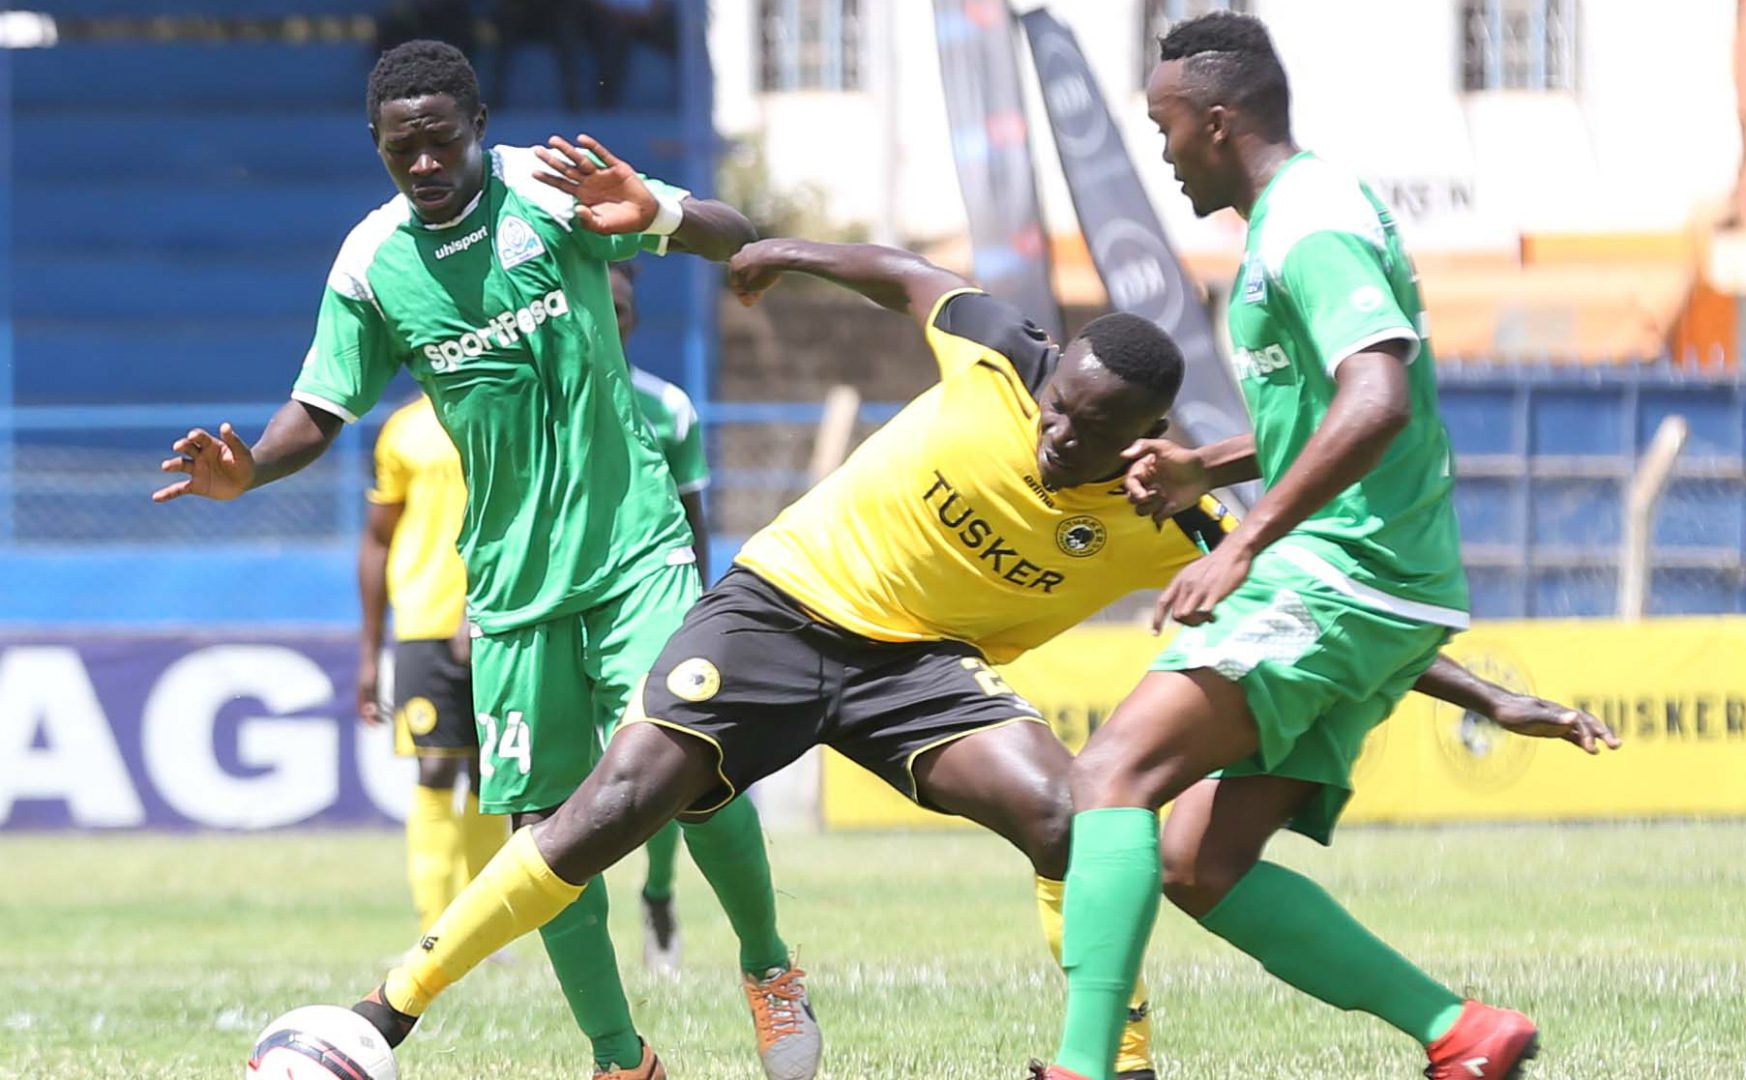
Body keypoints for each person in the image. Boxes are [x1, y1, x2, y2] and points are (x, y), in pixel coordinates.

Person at [345, 236, 1616, 1080]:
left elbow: (1301, 608)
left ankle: (1113, 1058)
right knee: (619, 800)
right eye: (1058, 409)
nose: (1058, 436)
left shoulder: (1169, 507)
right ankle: (384, 1013)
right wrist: (774, 251)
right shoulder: (1003, 350)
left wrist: (1488, 693)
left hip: (917, 668)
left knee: (1075, 816)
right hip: (782, 605)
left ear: (1148, 436)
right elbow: (907, 276)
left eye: (1091, 431)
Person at [151, 40, 818, 1080]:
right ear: (377, 145)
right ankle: (619, 1058)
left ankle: (769, 968)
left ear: (478, 125)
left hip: (634, 548)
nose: (423, 164)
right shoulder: (371, 264)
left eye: (441, 141)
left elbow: (738, 240)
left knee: (694, 762)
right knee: (543, 830)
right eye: (400, 149)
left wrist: (657, 210)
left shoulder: (550, 189)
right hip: (509, 588)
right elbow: (318, 407)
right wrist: (253, 470)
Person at [1036, 14, 1617, 1080]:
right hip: (1382, 589)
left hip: (1341, 572)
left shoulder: (1311, 225)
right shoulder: (1292, 222)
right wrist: (1205, 467)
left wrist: (1243, 544)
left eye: (1166, 128)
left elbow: (1379, 401)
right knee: (1198, 862)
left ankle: (1084, 1068)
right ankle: (1461, 1032)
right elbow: (1331, 413)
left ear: (1218, 122)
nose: (1163, 152)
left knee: (1111, 774)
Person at [358, 393, 509, 933]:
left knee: (493, 776)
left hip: (504, 618)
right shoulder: (404, 429)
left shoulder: (509, 411)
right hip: (423, 620)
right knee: (436, 767)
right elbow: (379, 538)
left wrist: (478, 605)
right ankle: (434, 931)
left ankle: (484, 933)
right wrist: (370, 652)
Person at [610, 258, 711, 973]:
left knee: (665, 763)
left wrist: (701, 609)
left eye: (618, 309)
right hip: (557, 605)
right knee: (558, 784)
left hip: (651, 600)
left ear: (634, 319)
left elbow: (693, 514)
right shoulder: (536, 396)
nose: (605, 318)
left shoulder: (668, 407)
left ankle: (658, 893)